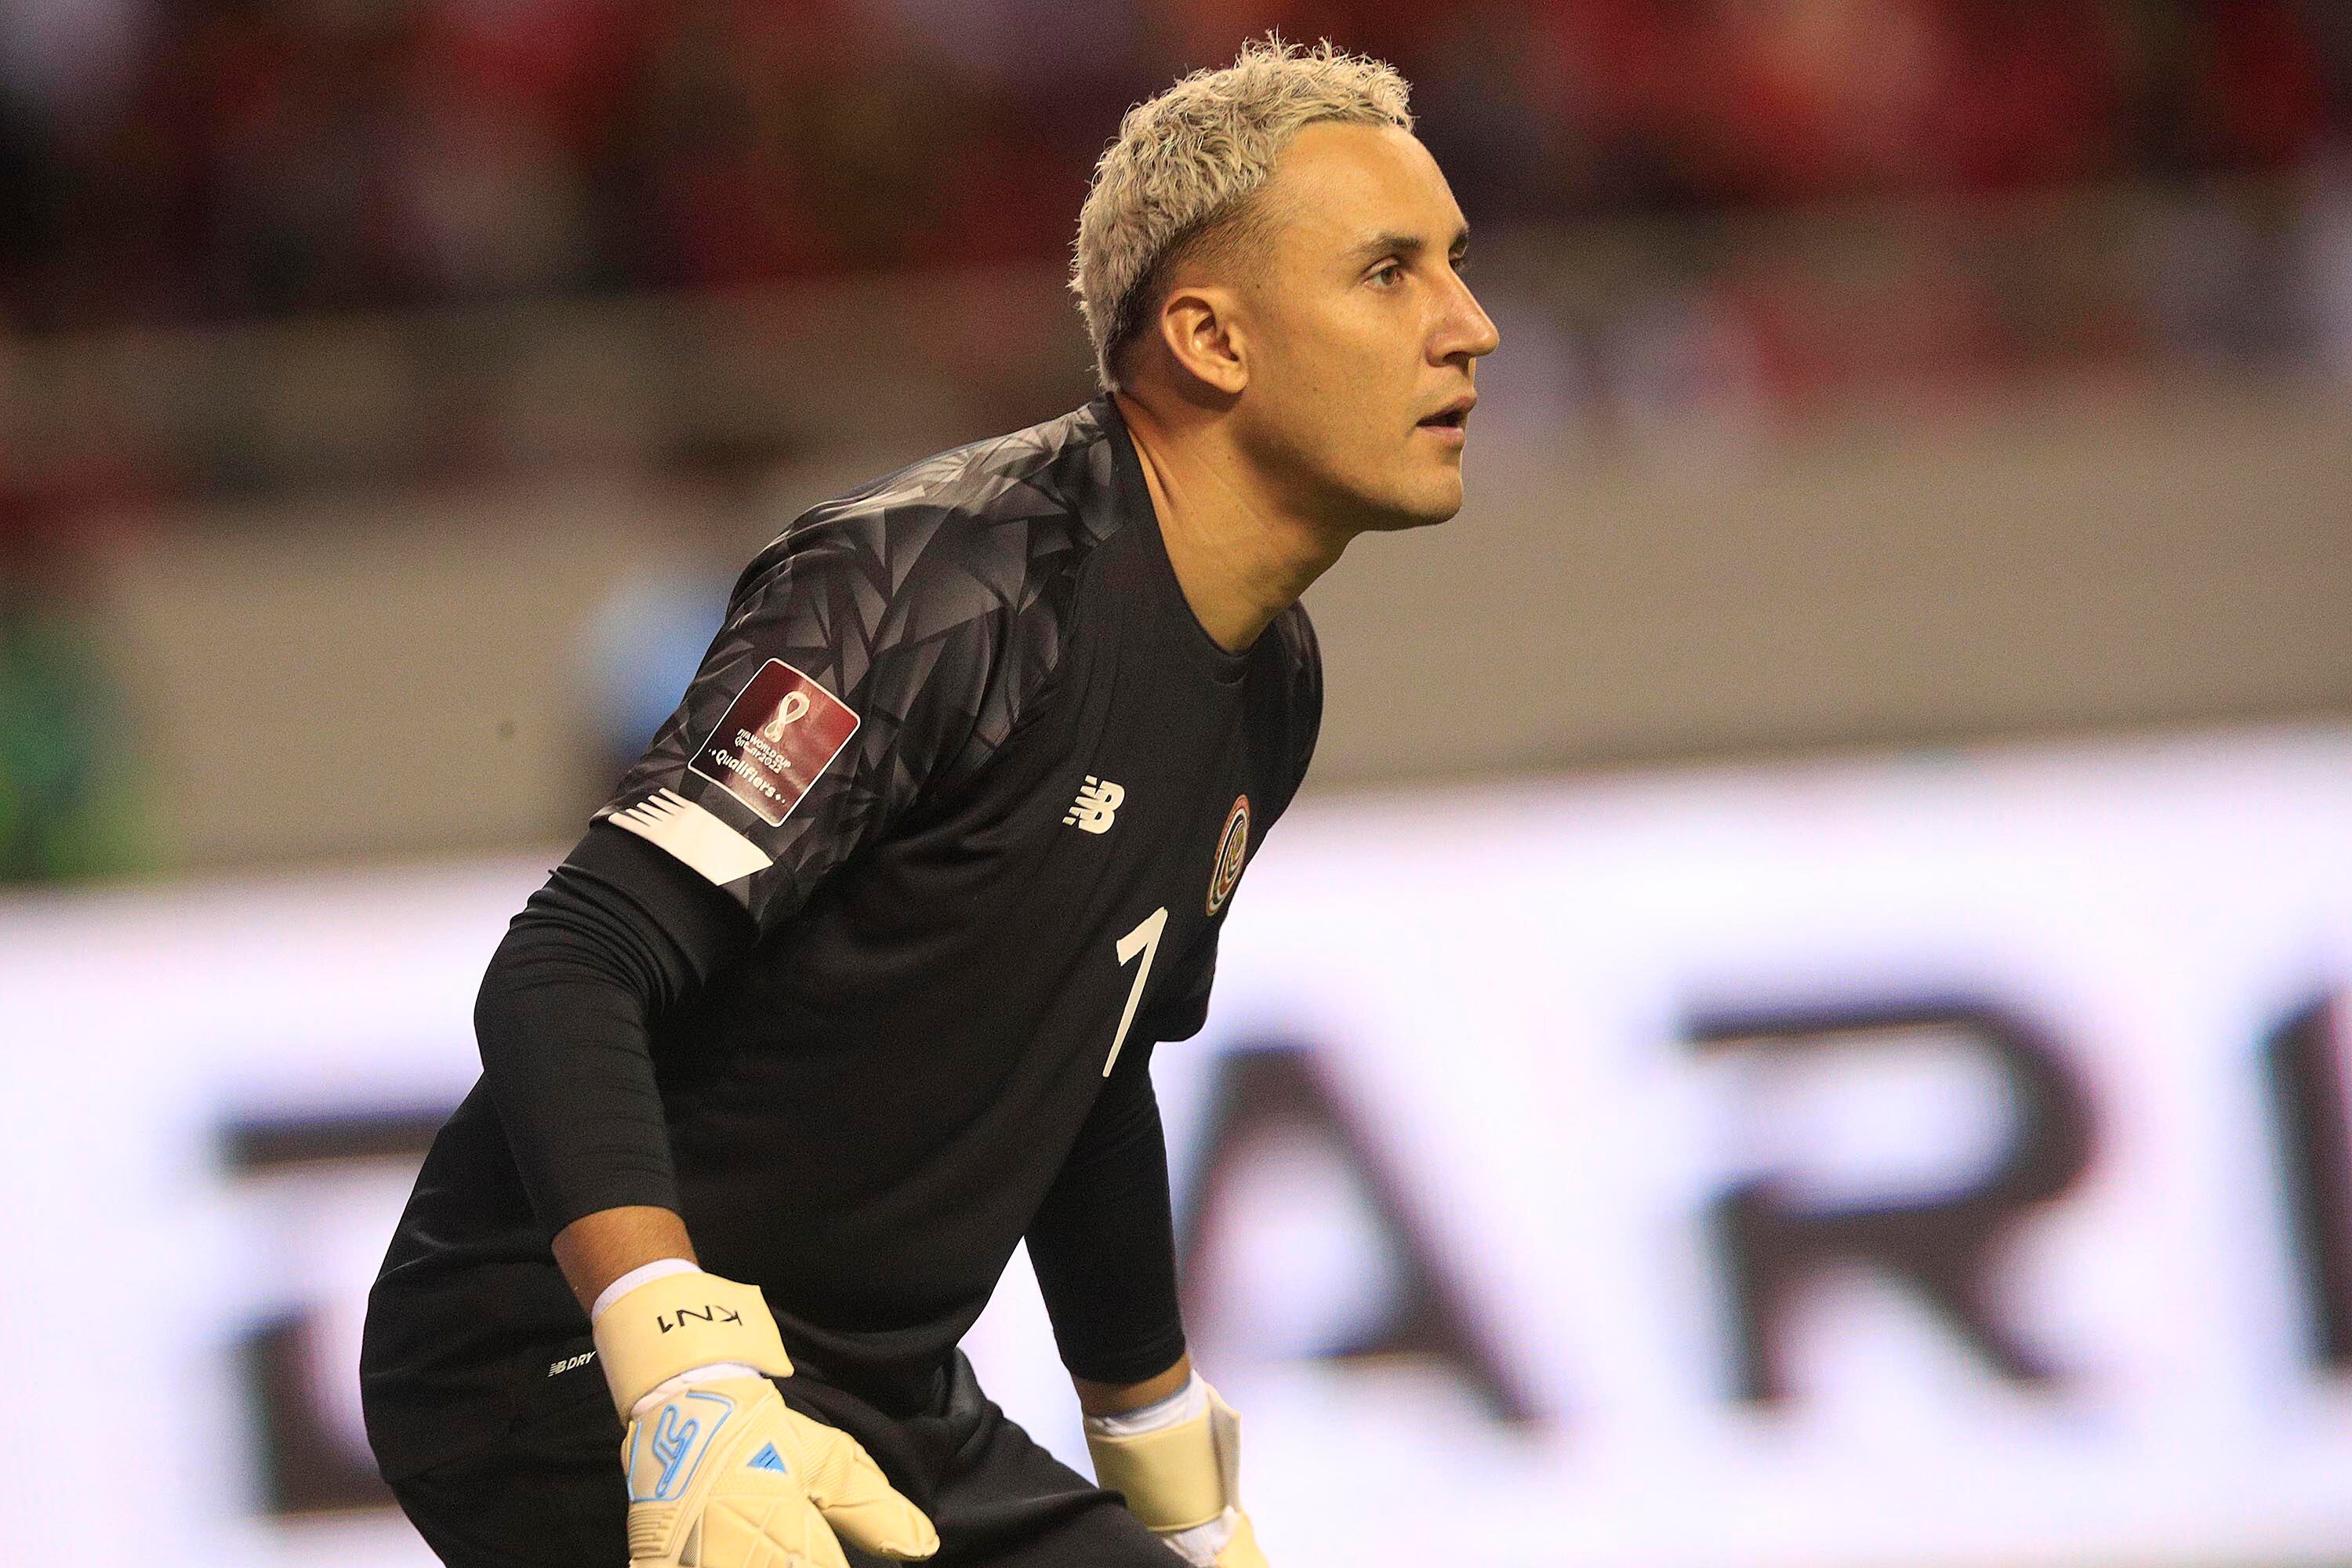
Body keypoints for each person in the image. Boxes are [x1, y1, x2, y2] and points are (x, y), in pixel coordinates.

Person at [360, 36, 1497, 1568]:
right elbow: (570, 965)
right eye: (1389, 273)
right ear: (1213, 340)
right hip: (562, 1365)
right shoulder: (935, 593)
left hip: (884, 1401)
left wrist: (1166, 1463)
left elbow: (1085, 1064)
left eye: (1456, 266)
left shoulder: (1267, 682)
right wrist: (680, 1374)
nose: (1470, 327)